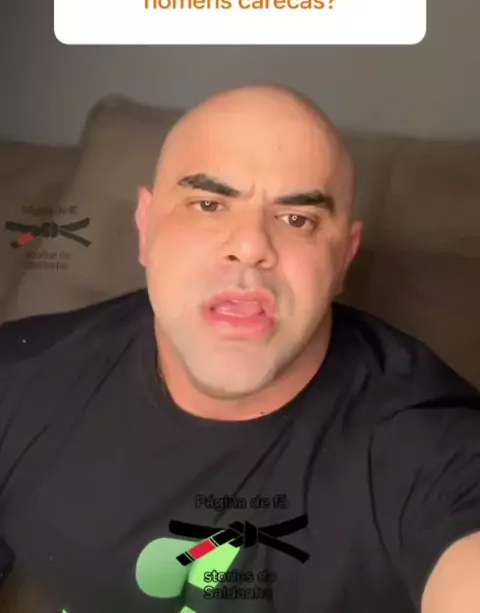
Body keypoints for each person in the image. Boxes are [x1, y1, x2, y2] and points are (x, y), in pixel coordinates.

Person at [0, 83, 479, 613]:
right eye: (208, 204)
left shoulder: (430, 442)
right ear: (145, 227)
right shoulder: (18, 382)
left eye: (297, 219)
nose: (250, 246)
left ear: (344, 258)